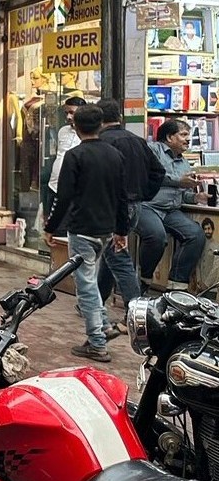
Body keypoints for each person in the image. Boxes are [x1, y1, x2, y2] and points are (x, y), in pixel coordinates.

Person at [43, 105, 129, 363]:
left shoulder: (75, 155)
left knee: (86, 286)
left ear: (75, 127)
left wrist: (50, 226)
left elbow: (64, 196)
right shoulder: (115, 155)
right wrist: (121, 230)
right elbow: (122, 196)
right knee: (90, 281)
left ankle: (97, 342)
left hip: (81, 228)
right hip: (105, 229)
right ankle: (102, 327)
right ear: (101, 124)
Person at [95, 99, 166, 322]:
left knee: (118, 258)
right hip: (135, 205)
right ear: (120, 117)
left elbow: (102, 180)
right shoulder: (137, 140)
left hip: (115, 206)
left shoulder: (103, 142)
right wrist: (144, 195)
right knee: (111, 255)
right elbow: (158, 171)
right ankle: (96, 300)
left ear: (99, 119)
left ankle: (136, 310)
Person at [135, 119, 208, 290]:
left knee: (196, 235)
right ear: (169, 137)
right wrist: (178, 181)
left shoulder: (184, 162)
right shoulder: (153, 150)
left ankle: (176, 285)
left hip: (170, 210)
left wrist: (196, 197)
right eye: (183, 135)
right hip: (147, 206)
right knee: (156, 237)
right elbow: (149, 176)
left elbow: (182, 194)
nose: (187, 139)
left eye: (188, 135)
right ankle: (143, 280)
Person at [46, 96, 85, 221]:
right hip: (54, 185)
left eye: (72, 113)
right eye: (66, 113)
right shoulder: (62, 131)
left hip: (74, 189)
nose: (68, 117)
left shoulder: (87, 134)